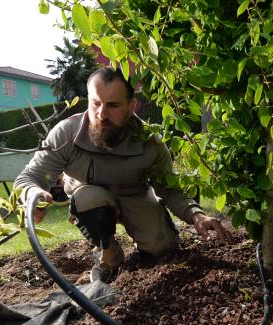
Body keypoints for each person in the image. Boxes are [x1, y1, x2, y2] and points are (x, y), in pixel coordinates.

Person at [14, 66, 231, 283]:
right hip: (89, 199)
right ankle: (108, 254)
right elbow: (29, 177)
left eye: (113, 105)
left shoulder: (151, 142)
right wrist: (32, 194)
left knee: (162, 247)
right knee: (89, 198)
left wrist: (196, 215)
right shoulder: (64, 133)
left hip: (134, 194)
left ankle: (148, 248)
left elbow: (169, 189)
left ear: (131, 106)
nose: (102, 114)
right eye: (95, 103)